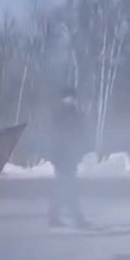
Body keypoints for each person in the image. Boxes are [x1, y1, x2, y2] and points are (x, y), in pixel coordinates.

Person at [49, 86, 91, 228]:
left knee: (64, 187)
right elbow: (59, 135)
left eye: (73, 97)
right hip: (63, 156)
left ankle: (55, 217)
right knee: (68, 187)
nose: (71, 100)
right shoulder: (62, 114)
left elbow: (80, 133)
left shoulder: (73, 113)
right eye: (69, 97)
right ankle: (77, 218)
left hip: (69, 155)